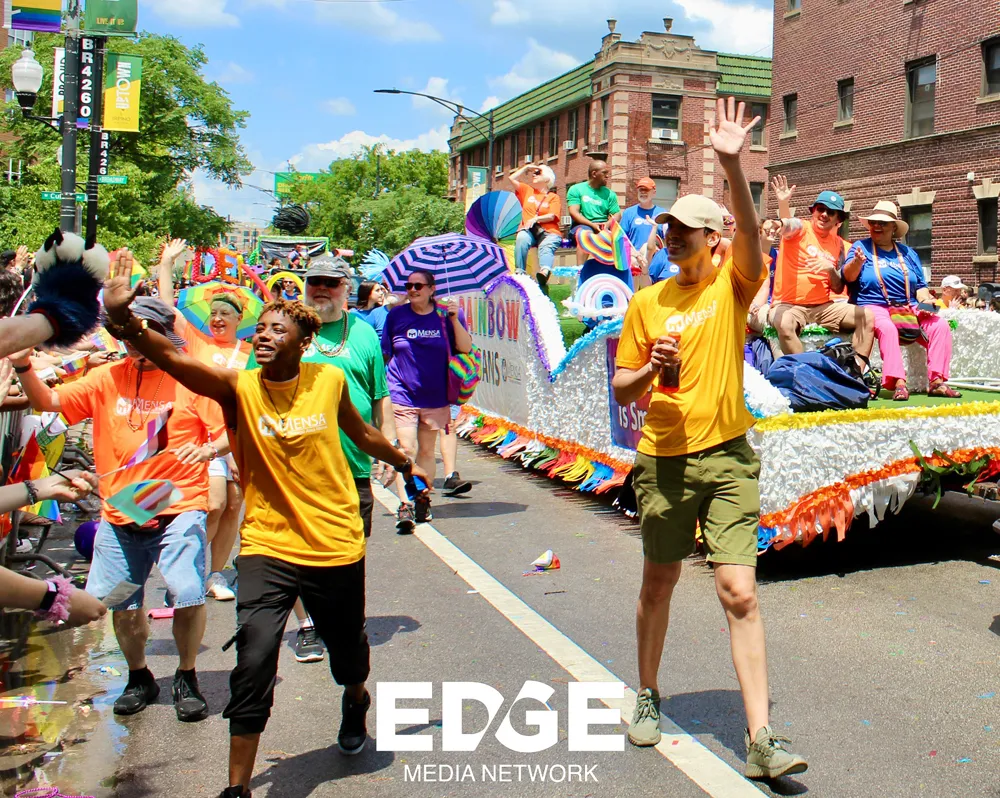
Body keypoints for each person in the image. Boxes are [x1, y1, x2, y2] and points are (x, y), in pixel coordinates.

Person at [99, 259, 430, 798]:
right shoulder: (240, 388)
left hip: (333, 542)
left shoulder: (328, 380)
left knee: (347, 653)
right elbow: (175, 361)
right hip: (267, 544)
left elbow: (362, 432)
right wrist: (125, 320)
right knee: (252, 661)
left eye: (280, 330)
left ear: (304, 343)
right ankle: (238, 788)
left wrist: (403, 460)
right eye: (263, 329)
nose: (267, 336)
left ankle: (356, 697)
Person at [612, 98, 808, 780]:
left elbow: (752, 232)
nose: (672, 237)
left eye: (685, 231)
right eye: (667, 229)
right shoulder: (646, 303)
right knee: (658, 582)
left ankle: (761, 738)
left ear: (711, 240)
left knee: (739, 592)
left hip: (727, 456)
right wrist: (651, 368)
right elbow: (623, 389)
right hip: (663, 460)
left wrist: (731, 164)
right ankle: (646, 691)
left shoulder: (732, 287)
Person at [13, 293, 226, 722]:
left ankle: (187, 676)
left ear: (161, 336)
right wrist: (22, 367)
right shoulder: (107, 377)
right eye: (126, 333)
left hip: (177, 500)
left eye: (140, 333)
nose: (132, 342)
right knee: (121, 602)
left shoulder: (191, 376)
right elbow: (47, 403)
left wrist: (207, 450)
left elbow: (228, 432)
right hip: (121, 508)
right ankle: (139, 676)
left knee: (186, 590)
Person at [246, 256, 395, 664]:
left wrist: (390, 448)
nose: (322, 290)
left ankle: (344, 623)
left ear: (346, 288)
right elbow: (249, 390)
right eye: (315, 282)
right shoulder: (282, 329)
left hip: (350, 468)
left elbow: (379, 396)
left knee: (348, 551)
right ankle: (307, 624)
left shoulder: (362, 333)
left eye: (331, 282)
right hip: (290, 469)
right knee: (292, 553)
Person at [158, 241, 251, 603]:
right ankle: (186, 571)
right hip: (203, 440)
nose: (218, 318)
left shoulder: (250, 353)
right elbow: (166, 311)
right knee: (213, 504)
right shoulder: (195, 342)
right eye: (213, 313)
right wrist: (166, 263)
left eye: (225, 313)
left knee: (233, 506)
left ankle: (215, 574)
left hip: (236, 439)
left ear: (239, 320)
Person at [839, 201, 961, 400]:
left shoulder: (908, 253)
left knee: (940, 325)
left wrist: (926, 301)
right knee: (887, 328)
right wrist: (857, 263)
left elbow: (920, 287)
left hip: (908, 306)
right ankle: (898, 383)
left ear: (893, 227)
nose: (877, 226)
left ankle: (937, 381)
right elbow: (848, 277)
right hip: (873, 305)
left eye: (883, 223)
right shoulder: (860, 247)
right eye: (873, 223)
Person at [382, 269, 472, 531]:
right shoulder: (397, 315)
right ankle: (405, 504)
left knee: (425, 451)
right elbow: (386, 352)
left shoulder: (447, 314)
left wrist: (454, 319)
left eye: (418, 286)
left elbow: (465, 348)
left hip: (435, 395)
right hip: (401, 392)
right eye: (409, 285)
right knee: (406, 449)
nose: (412, 290)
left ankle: (422, 498)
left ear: (432, 289)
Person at [768, 178, 873, 360]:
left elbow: (838, 288)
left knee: (867, 317)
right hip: (789, 305)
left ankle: (854, 371)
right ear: (813, 211)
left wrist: (830, 270)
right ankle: (807, 370)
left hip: (824, 307)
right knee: (784, 323)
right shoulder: (802, 229)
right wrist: (781, 215)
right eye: (820, 209)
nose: (824, 214)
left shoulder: (840, 245)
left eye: (830, 212)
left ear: (838, 220)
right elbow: (790, 225)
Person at [508, 163, 562, 295]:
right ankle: (520, 272)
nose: (534, 174)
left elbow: (553, 215)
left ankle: (544, 272)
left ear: (547, 179)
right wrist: (526, 168)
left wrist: (536, 219)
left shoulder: (553, 197)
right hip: (529, 231)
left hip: (549, 232)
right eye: (534, 172)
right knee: (521, 237)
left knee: (546, 247)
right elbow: (511, 178)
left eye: (538, 172)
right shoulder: (527, 191)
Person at [567, 160, 622, 266]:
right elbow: (574, 213)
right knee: (585, 235)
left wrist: (607, 224)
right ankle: (580, 271)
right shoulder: (576, 189)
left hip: (603, 226)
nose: (607, 176)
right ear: (594, 174)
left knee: (618, 239)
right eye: (604, 173)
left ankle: (614, 271)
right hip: (582, 225)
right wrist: (592, 225)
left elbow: (617, 214)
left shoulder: (610, 194)